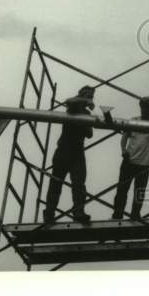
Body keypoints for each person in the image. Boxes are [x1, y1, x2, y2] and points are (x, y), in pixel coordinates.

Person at [43, 85, 96, 224]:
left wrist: (85, 122)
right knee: (56, 182)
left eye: (91, 96)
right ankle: (49, 212)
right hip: (64, 150)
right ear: (81, 95)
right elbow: (70, 101)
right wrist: (85, 101)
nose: (90, 98)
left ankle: (78, 212)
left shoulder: (86, 113)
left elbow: (89, 134)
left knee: (79, 183)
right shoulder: (72, 108)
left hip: (77, 151)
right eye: (88, 95)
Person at [112, 96, 149, 220]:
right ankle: (117, 215)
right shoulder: (134, 120)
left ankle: (135, 215)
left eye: (147, 107)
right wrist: (123, 150)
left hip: (145, 163)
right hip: (129, 160)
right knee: (122, 190)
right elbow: (125, 136)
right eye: (143, 106)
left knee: (139, 192)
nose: (144, 109)